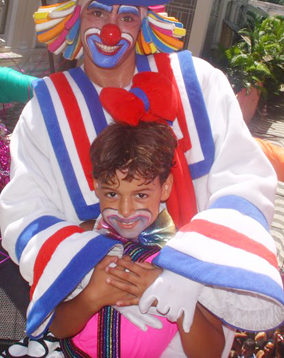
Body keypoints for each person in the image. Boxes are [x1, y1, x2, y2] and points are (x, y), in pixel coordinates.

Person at [0, 0, 284, 356]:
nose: (110, 29)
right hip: (88, 328)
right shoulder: (47, 107)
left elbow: (246, 183)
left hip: (190, 334)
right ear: (76, 16)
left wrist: (187, 274)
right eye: (96, 11)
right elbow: (25, 214)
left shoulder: (201, 85)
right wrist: (94, 274)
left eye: (127, 15)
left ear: (145, 22)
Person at [51, 78, 225, 357]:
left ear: (165, 187)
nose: (125, 211)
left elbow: (211, 353)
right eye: (112, 194)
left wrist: (177, 300)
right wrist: (91, 297)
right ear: (96, 185)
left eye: (141, 195)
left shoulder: (189, 258)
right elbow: (57, 327)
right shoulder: (81, 237)